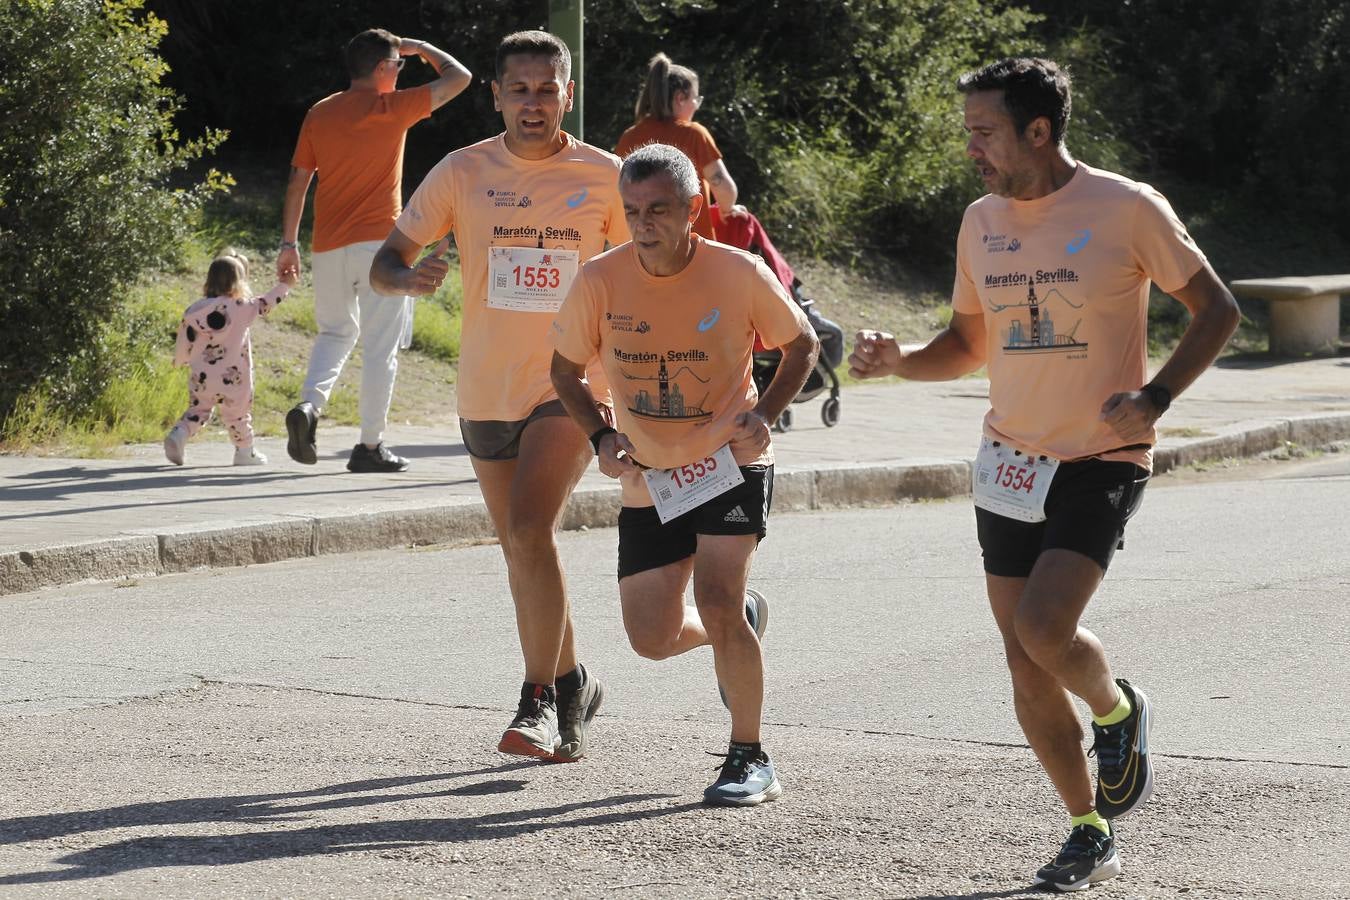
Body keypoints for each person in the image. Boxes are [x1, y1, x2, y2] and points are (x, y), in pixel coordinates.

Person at [850, 58, 1239, 890]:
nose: (972, 150)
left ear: (1038, 130)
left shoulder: (1127, 207)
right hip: (1010, 462)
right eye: (968, 133)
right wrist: (897, 363)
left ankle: (1117, 709)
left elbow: (1218, 308)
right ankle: (1088, 828)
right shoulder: (980, 221)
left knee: (1043, 628)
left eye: (984, 132)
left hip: (1102, 454)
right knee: (1023, 661)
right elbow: (964, 346)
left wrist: (1159, 395)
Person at [369, 31, 629, 763]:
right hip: (485, 386)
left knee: (528, 528)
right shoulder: (462, 171)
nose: (533, 102)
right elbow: (390, 258)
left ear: (567, 95)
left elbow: (640, 276)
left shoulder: (607, 177)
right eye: (520, 89)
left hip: (570, 384)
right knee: (523, 548)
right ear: (495, 94)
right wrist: (405, 277)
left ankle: (538, 700)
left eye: (547, 89)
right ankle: (576, 682)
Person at [550, 144, 819, 805]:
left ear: (693, 210)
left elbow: (802, 343)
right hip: (651, 477)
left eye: (660, 211)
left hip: (730, 463)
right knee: (652, 638)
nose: (645, 225)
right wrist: (601, 434)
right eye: (634, 211)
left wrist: (769, 415)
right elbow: (564, 370)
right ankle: (740, 624)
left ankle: (749, 756)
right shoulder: (600, 280)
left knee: (719, 599)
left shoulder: (737, 271)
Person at [277, 28, 471, 473]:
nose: (401, 73)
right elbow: (460, 77)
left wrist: (289, 244)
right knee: (381, 348)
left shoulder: (320, 112)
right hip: (382, 247)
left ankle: (308, 407)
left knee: (334, 332)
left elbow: (297, 183)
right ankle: (368, 447)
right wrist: (421, 48)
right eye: (398, 65)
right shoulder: (392, 107)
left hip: (327, 246)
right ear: (384, 68)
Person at [165, 251, 297, 467]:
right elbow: (266, 302)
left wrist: (179, 360)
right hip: (234, 376)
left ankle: (179, 435)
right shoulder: (241, 307)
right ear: (239, 282)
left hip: (202, 377)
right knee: (238, 415)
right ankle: (244, 451)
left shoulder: (194, 310)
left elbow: (184, 339)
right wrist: (286, 285)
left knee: (198, 410)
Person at [615, 53, 743, 241]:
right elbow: (722, 185)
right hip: (690, 248)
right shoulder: (694, 134)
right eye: (695, 99)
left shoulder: (630, 137)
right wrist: (728, 208)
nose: (696, 107)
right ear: (680, 98)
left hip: (642, 244)